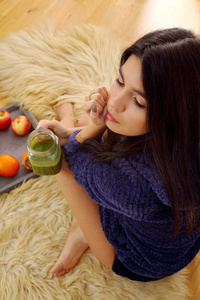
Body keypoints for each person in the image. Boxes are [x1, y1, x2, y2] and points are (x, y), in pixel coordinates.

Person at [37, 27, 200, 281]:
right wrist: (101, 120)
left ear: (172, 114)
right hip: (178, 244)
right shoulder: (187, 129)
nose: (114, 102)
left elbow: (72, 154)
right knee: (96, 129)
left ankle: (82, 231)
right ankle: (88, 222)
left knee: (59, 160)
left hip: (136, 261)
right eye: (120, 80)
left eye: (139, 101)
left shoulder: (135, 184)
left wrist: (93, 122)